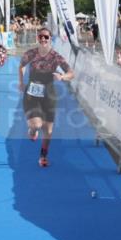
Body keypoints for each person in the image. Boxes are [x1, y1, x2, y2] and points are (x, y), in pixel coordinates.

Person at [18, 27, 74, 167]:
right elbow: (21, 66)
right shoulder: (31, 53)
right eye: (40, 36)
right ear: (37, 38)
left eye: (46, 37)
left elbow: (71, 73)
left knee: (48, 130)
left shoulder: (56, 56)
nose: (43, 39)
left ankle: (43, 156)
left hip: (49, 94)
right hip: (32, 93)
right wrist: (21, 83)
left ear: (50, 39)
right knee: (37, 124)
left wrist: (62, 76)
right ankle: (32, 129)